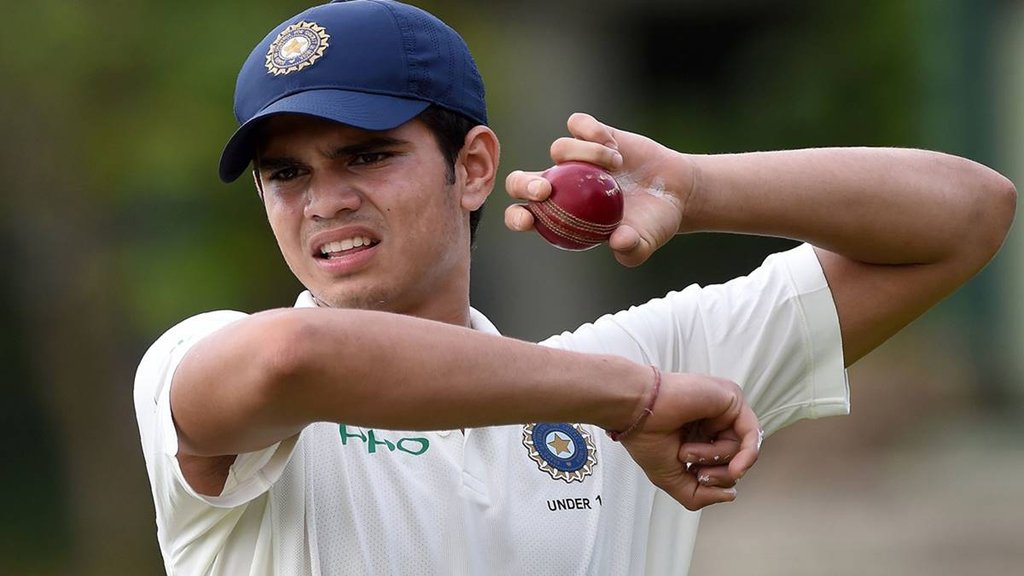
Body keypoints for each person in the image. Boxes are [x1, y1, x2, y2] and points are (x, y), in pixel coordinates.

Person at [133, 1, 1015, 574]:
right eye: (286, 175)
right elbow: (296, 356)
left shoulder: (629, 372)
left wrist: (696, 191)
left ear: (474, 167)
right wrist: (631, 400)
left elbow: (970, 213)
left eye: (366, 155)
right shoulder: (196, 363)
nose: (324, 201)